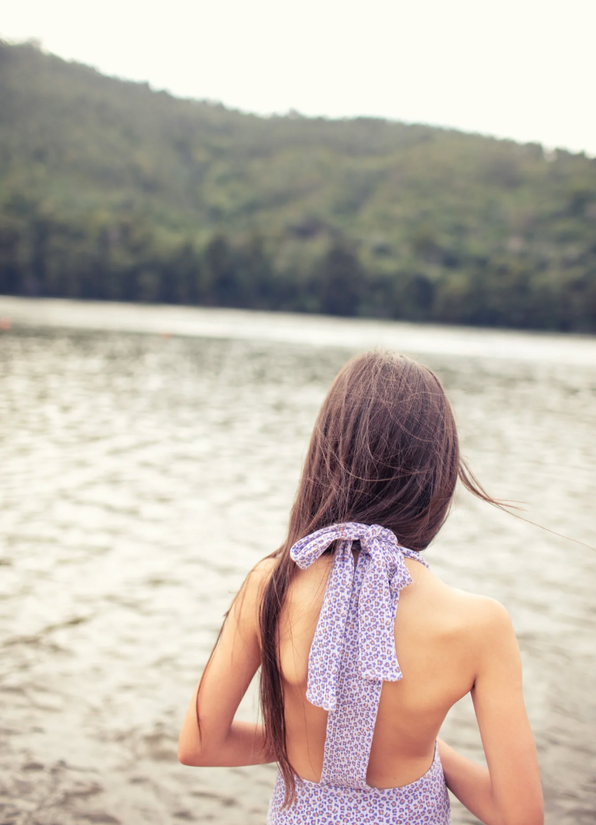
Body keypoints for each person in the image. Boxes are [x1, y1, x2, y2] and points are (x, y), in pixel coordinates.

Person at [178, 350, 544, 825]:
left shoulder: (271, 583)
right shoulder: (481, 625)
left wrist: (303, 741)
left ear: (326, 456)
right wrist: (427, 751)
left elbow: (200, 745)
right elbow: (520, 817)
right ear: (436, 478)